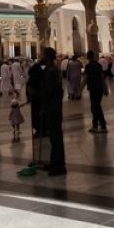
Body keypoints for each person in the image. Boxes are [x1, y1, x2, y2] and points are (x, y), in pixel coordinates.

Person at [38, 47, 66, 175]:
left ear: (47, 56)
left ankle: (59, 166)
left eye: (42, 54)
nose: (40, 56)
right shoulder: (53, 69)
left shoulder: (50, 71)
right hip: (54, 106)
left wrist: (37, 93)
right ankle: (55, 162)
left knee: (55, 137)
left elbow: (48, 91)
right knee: (55, 137)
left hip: (52, 107)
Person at [82, 50, 107, 133]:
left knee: (96, 107)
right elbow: (102, 77)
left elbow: (85, 79)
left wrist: (80, 90)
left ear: (87, 57)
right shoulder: (99, 65)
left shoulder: (88, 66)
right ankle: (95, 125)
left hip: (93, 89)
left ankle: (103, 125)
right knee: (95, 107)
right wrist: (105, 88)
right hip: (99, 88)